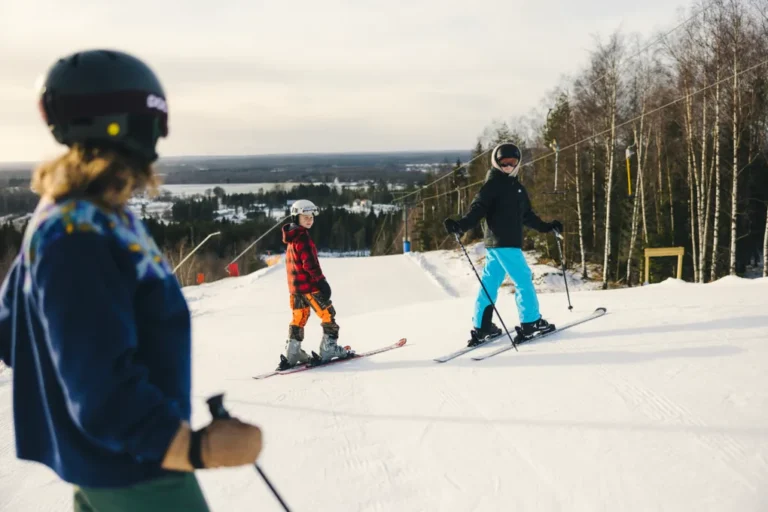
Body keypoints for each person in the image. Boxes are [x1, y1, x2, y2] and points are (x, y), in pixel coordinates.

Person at [0, 49, 262, 511]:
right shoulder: (77, 233)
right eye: (154, 121)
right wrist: (197, 448)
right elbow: (99, 386)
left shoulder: (83, 216)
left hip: (111, 467)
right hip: (137, 475)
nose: (160, 137)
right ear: (119, 124)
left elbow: (12, 331)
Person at [443, 141, 563, 346]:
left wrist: (547, 227)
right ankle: (531, 323)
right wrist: (461, 225)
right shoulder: (492, 185)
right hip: (504, 243)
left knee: (490, 283)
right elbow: (477, 209)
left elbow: (527, 216)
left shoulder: (516, 187)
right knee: (523, 279)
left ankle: (483, 327)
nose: (508, 166)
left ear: (517, 163)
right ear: (496, 163)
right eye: (504, 162)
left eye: (512, 162)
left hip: (497, 245)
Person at [278, 199, 353, 369]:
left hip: (295, 289)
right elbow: (309, 264)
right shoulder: (302, 238)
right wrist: (321, 281)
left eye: (311, 217)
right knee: (328, 314)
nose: (309, 220)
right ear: (296, 217)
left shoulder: (291, 237)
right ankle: (329, 348)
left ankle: (293, 352)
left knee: (299, 317)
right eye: (305, 217)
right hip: (309, 287)